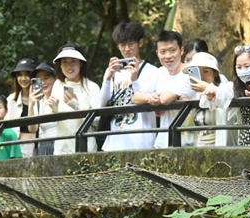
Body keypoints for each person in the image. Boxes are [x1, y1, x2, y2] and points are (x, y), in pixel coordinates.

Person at [98, 22, 158, 152]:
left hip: (142, 141)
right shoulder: (115, 72)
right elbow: (101, 105)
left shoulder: (152, 71)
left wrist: (134, 78)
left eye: (131, 44)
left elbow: (143, 101)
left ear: (140, 43)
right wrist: (107, 78)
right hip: (114, 141)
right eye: (122, 45)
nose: (126, 49)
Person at [133, 30, 197, 149]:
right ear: (157, 53)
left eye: (172, 50)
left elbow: (166, 99)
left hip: (188, 142)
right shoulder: (160, 72)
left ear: (181, 50)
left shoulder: (192, 72)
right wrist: (148, 97)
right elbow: (135, 97)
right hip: (162, 141)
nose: (168, 56)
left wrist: (155, 98)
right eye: (163, 52)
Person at [48, 44, 101, 155]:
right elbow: (52, 121)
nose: (69, 66)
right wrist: (54, 108)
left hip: (86, 148)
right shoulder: (57, 85)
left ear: (81, 63)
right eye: (64, 62)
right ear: (60, 65)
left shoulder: (92, 87)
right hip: (62, 148)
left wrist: (76, 105)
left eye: (73, 61)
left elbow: (98, 121)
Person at [185, 52, 231, 146]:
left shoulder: (224, 87)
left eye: (206, 71)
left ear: (215, 73)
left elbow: (224, 95)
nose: (202, 76)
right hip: (199, 146)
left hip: (219, 147)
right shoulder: (193, 93)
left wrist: (209, 89)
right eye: (197, 72)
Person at [7, 58, 38, 158]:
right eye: (20, 75)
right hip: (17, 147)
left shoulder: (43, 98)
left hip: (39, 145)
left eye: (27, 74)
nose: (23, 78)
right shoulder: (11, 100)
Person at [28, 62, 59, 156]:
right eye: (39, 80)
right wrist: (31, 105)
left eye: (46, 78)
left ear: (55, 79)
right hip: (44, 145)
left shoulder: (62, 96)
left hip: (62, 142)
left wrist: (55, 107)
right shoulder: (38, 102)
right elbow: (32, 129)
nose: (43, 83)